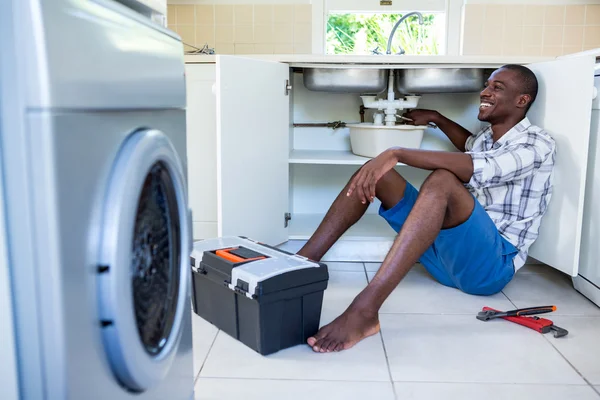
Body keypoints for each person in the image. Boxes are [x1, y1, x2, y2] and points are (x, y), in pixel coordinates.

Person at [296, 64, 556, 353]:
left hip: (489, 268)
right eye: (487, 84)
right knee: (375, 173)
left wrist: (396, 152)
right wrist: (435, 117)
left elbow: (480, 166)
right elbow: (469, 144)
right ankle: (298, 266)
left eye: (497, 87)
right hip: (441, 262)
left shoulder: (537, 143)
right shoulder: (486, 138)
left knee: (443, 179)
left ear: (522, 100)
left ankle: (364, 312)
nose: (485, 91)